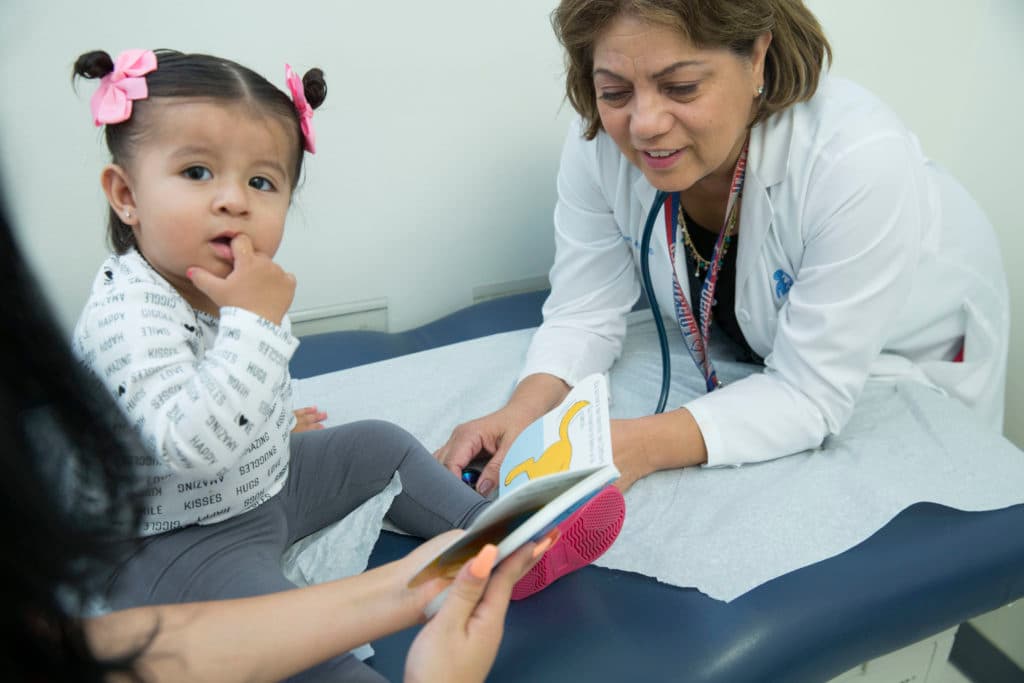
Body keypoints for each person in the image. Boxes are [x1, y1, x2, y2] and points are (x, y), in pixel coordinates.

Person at [68, 47, 551, 682]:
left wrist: (269, 418)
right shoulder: (128, 317)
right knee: (289, 634)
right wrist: (255, 326)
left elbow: (237, 387)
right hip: (179, 538)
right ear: (126, 195)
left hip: (261, 485)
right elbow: (189, 444)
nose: (234, 201)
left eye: (261, 182)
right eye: (196, 172)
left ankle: (491, 543)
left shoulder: (238, 282)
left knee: (380, 445)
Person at [437, 0, 1008, 495]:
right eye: (614, 90)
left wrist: (633, 444)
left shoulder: (856, 162)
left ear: (757, 57)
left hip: (907, 354)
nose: (644, 124)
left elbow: (810, 395)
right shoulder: (600, 141)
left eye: (681, 87)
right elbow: (584, 309)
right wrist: (525, 411)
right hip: (754, 348)